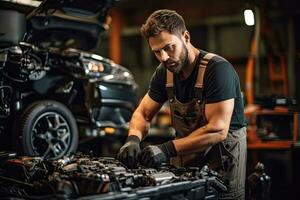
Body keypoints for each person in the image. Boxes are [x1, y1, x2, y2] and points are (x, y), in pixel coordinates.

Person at [117, 9, 247, 200]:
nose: (164, 57)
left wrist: (167, 149)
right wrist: (133, 139)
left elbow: (217, 129)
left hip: (222, 172)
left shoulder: (218, 70)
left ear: (185, 37)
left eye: (169, 47)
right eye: (156, 52)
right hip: (186, 171)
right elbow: (143, 113)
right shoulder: (164, 73)